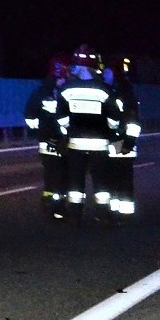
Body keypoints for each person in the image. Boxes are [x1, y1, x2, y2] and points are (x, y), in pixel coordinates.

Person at [55, 45, 122, 225]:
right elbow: (115, 118)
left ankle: (74, 216)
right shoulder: (104, 90)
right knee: (101, 183)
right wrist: (110, 132)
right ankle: (103, 215)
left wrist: (67, 130)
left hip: (75, 144)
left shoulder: (66, 89)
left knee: (75, 182)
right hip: (100, 144)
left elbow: (60, 116)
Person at [24, 55, 70, 219]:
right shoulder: (58, 91)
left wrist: (40, 132)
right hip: (58, 141)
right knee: (61, 175)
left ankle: (50, 204)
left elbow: (29, 116)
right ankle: (57, 207)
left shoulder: (40, 91)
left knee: (51, 175)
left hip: (47, 142)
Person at [103, 58, 141, 225]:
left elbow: (132, 121)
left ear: (115, 73)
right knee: (116, 180)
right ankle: (117, 214)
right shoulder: (119, 91)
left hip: (121, 142)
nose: (104, 74)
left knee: (120, 180)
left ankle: (121, 215)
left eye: (107, 71)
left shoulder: (123, 93)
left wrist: (127, 143)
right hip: (118, 142)